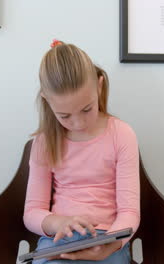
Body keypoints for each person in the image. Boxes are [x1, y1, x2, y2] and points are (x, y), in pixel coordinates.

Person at [23, 40, 140, 264]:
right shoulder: (44, 142)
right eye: (64, 116)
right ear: (47, 101)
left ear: (99, 86)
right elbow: (32, 212)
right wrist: (58, 222)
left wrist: (111, 244)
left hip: (107, 240)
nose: (77, 123)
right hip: (57, 240)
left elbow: (129, 212)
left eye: (87, 109)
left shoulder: (122, 134)